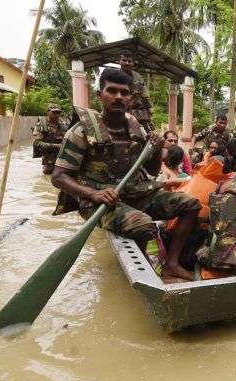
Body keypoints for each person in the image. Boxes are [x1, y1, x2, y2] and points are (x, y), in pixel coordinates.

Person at [51, 68, 201, 281]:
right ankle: (142, 273)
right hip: (100, 201)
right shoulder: (80, 131)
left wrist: (156, 148)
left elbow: (151, 171)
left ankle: (171, 264)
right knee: (144, 225)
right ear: (99, 95)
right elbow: (58, 177)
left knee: (192, 205)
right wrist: (92, 194)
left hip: (136, 193)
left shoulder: (137, 129)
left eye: (124, 92)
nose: (119, 97)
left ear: (131, 97)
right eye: (112, 91)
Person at [118, 51, 154, 132]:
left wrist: (150, 108)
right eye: (124, 60)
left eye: (129, 61)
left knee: (148, 134)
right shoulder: (114, 75)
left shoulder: (138, 76)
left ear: (133, 63)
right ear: (119, 61)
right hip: (120, 111)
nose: (127, 63)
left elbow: (145, 94)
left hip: (138, 112)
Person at [32, 103, 67, 174]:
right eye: (54, 112)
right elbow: (36, 143)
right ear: (48, 112)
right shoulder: (41, 125)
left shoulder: (64, 123)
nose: (57, 114)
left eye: (58, 112)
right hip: (49, 158)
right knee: (48, 173)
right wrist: (57, 146)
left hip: (63, 157)